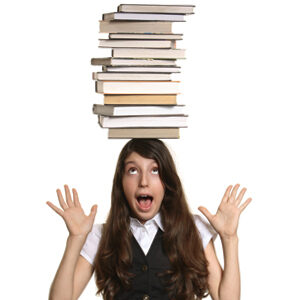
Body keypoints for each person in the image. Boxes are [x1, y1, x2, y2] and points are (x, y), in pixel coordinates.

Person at [47, 138, 252, 300]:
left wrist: (229, 238)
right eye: (133, 170)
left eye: (155, 170)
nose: (143, 182)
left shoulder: (194, 229)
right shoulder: (101, 236)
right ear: (121, 181)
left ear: (167, 181)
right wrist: (76, 238)